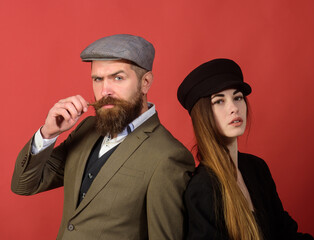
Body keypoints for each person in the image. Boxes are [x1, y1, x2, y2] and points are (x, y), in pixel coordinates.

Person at [11, 34, 195, 240]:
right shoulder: (88, 129)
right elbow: (24, 185)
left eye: (118, 78)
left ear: (145, 82)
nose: (105, 90)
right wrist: (48, 133)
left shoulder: (169, 157)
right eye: (98, 79)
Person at [177, 58, 314, 240]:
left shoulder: (257, 168)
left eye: (238, 97)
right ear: (202, 115)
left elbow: (286, 233)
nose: (234, 108)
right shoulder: (203, 188)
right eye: (219, 101)